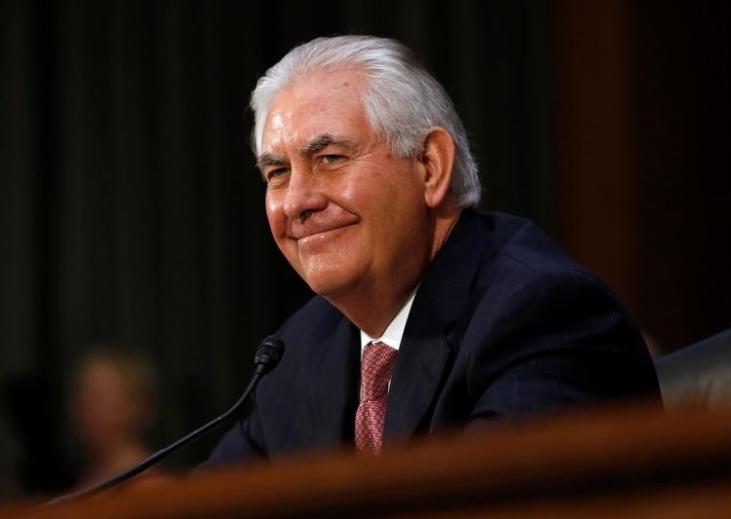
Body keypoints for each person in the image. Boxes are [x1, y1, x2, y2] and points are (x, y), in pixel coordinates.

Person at [206, 35, 660, 463]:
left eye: (330, 159)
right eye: (278, 173)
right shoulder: (301, 350)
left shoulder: (540, 314)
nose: (298, 202)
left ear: (429, 166)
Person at [68, 347, 166, 491]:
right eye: (81, 393)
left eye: (98, 397)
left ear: (136, 405)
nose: (84, 405)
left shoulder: (150, 485)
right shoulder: (87, 478)